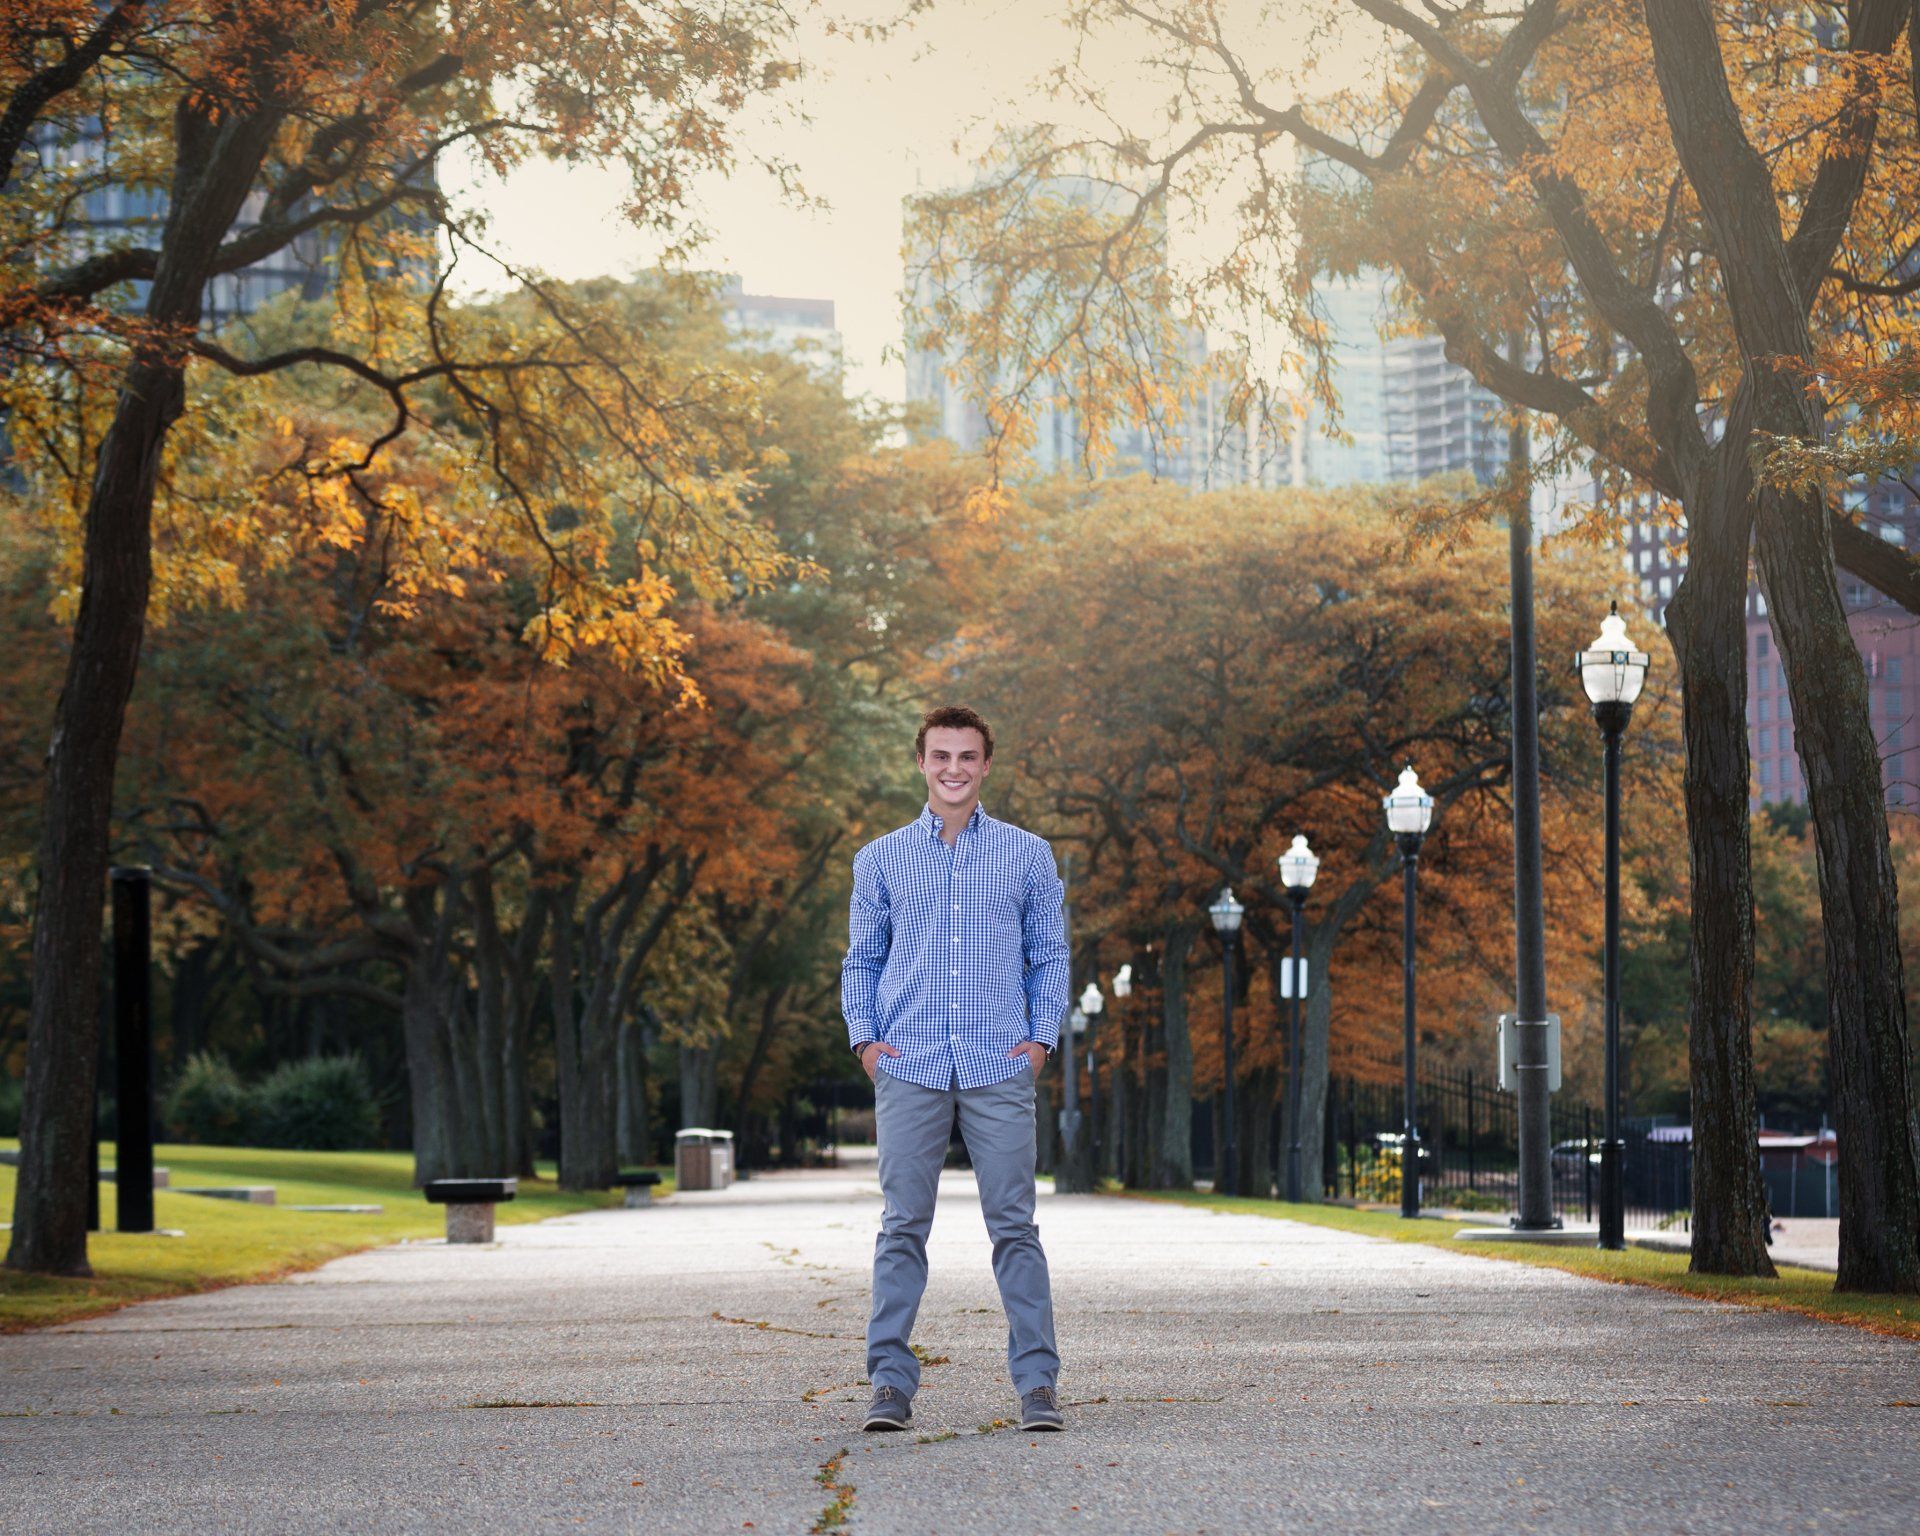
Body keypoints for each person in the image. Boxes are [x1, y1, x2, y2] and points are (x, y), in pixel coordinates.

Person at [841, 705, 1071, 1434]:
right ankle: (889, 1382)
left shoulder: (1028, 855)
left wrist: (1038, 1040)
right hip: (907, 1063)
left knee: (1015, 1226)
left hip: (997, 1061)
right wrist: (867, 1045)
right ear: (920, 762)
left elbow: (1051, 956)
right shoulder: (879, 859)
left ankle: (1037, 1384)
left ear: (986, 765)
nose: (953, 769)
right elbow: (863, 961)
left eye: (966, 757)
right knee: (902, 1225)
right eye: (941, 756)